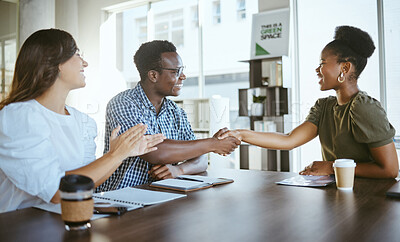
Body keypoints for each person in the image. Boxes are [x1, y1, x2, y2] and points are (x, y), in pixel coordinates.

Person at [0, 29, 165, 213]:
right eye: (77, 54)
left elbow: (88, 182)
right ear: (55, 63)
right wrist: (115, 155)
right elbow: (55, 190)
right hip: (21, 226)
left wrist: (123, 153)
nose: (84, 62)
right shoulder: (18, 117)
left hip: (68, 220)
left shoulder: (82, 121)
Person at [219, 26, 399, 179]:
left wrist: (330, 167)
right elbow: (288, 140)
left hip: (370, 201)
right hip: (338, 198)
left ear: (344, 67)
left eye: (322, 63)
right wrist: (240, 133)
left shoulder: (364, 107)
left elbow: (390, 169)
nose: (317, 69)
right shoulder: (324, 107)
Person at [96, 40, 240, 192]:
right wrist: (212, 144)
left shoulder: (176, 112)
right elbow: (152, 152)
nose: (183, 76)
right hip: (120, 198)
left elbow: (201, 158)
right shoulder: (123, 103)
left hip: (163, 197)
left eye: (182, 70)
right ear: (153, 75)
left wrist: (179, 170)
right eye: (175, 72)